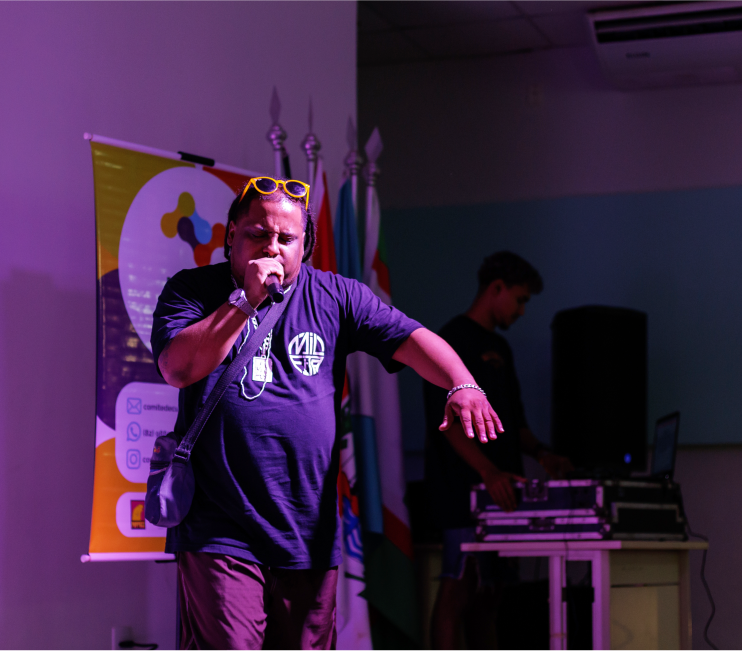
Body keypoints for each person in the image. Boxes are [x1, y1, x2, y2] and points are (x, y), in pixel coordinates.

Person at [151, 176, 504, 651]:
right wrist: (245, 300)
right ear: (232, 233)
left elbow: (411, 338)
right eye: (258, 233)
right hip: (219, 525)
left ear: (306, 245)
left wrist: (463, 383)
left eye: (286, 238)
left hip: (306, 527)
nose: (271, 247)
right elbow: (178, 368)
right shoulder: (192, 290)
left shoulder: (337, 296)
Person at [423, 251, 574, 651]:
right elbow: (445, 424)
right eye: (520, 300)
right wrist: (487, 472)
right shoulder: (450, 340)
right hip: (462, 493)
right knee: (457, 590)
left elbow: (515, 423)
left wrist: (543, 455)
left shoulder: (501, 348)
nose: (522, 311)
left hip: (504, 494)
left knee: (491, 597)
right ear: (497, 288)